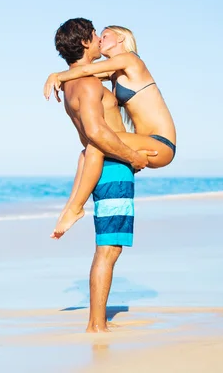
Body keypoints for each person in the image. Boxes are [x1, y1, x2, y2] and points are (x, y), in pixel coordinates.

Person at [49, 18, 156, 332]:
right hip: (112, 167)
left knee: (107, 248)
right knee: (109, 249)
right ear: (84, 43)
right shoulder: (89, 84)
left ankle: (97, 322)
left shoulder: (73, 83)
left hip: (103, 166)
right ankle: (97, 326)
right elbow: (97, 133)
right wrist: (133, 156)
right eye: (95, 36)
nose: (99, 40)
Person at [45, 25, 176, 239]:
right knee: (85, 153)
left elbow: (86, 70)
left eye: (104, 35)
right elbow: (84, 74)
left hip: (161, 142)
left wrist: (56, 75)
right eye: (97, 35)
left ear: (121, 39)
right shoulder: (114, 71)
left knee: (96, 142)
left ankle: (77, 207)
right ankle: (70, 208)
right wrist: (61, 77)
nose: (99, 39)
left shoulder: (130, 60)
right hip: (143, 142)